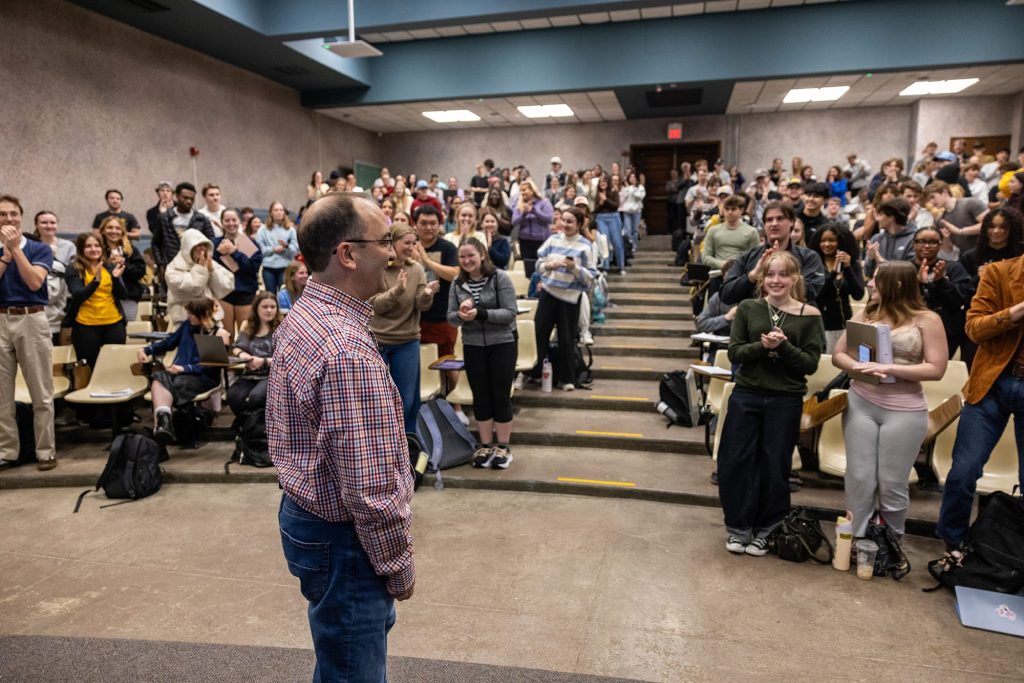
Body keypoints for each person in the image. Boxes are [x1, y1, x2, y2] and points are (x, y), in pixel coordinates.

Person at [266, 193, 414, 681]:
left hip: (306, 513)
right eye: (384, 241)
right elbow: (368, 490)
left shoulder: (306, 314)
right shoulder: (346, 348)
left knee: (339, 657)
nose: (393, 253)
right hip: (345, 537)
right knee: (353, 670)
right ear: (347, 254)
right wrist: (397, 563)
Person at [831, 261, 947, 543]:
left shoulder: (927, 319)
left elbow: (936, 368)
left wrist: (891, 369)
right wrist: (858, 367)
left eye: (876, 280)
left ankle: (891, 542)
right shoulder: (867, 314)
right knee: (859, 476)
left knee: (892, 482)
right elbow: (838, 354)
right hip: (862, 401)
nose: (869, 283)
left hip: (904, 410)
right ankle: (856, 540)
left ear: (896, 285)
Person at [718, 251, 824, 554]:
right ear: (762, 279)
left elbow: (810, 364)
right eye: (770, 274)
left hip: (785, 399)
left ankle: (767, 528)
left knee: (775, 465)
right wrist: (761, 347)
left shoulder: (810, 314)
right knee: (735, 462)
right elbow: (736, 354)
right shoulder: (748, 308)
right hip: (747, 394)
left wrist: (785, 347)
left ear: (794, 278)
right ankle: (738, 527)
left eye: (782, 274)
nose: (776, 280)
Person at [447, 237, 518, 468]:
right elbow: (449, 318)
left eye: (471, 255)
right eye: (462, 257)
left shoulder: (500, 278)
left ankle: (503, 446)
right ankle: (485, 445)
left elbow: (509, 313)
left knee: (500, 394)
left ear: (482, 255)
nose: (467, 260)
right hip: (473, 345)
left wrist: (480, 313)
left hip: (502, 344)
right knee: (480, 396)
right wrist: (461, 314)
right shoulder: (457, 283)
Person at [0, 195, 56, 470]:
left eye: (13, 214)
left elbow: (35, 282)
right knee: (1, 394)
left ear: (21, 217)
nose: (8, 219)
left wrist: (16, 252)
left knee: (41, 391)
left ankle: (45, 452)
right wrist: (5, 257)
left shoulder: (38, 249)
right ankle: (7, 452)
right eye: (2, 215)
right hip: (1, 321)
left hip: (31, 319)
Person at [370, 223, 439, 432]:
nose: (410, 247)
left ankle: (408, 443)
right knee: (376, 399)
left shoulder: (416, 269)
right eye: (406, 243)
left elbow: (420, 305)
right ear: (392, 242)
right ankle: (379, 442)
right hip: (377, 341)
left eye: (413, 243)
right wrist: (398, 290)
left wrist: (426, 294)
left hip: (407, 340)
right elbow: (375, 305)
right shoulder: (376, 268)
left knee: (407, 399)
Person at [137, 297, 228, 444]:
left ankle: (164, 428)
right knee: (158, 376)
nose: (188, 317)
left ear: (203, 314)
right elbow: (169, 342)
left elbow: (212, 366)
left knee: (176, 382)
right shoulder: (187, 326)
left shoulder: (218, 333)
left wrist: (185, 368)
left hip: (203, 377)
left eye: (191, 314)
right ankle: (163, 424)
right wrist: (146, 350)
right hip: (178, 373)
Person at [528, 208, 594, 391]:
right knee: (539, 334)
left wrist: (574, 268)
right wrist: (548, 265)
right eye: (563, 220)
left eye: (570, 221)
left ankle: (567, 379)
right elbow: (537, 264)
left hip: (570, 298)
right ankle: (531, 374)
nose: (565, 224)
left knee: (566, 339)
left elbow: (590, 277)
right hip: (549, 294)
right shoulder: (552, 239)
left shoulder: (585, 246)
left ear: (579, 224)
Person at [720, 202, 825, 306]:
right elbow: (726, 295)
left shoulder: (809, 257)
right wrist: (752, 276)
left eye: (780, 219)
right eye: (769, 220)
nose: (774, 224)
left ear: (792, 222)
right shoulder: (747, 257)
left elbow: (812, 292)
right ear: (764, 225)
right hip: (755, 319)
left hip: (795, 320)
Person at [904, 227, 972, 361]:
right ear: (914, 244)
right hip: (907, 330)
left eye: (933, 242)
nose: (927, 246)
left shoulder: (953, 268)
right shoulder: (904, 268)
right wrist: (918, 283)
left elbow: (962, 300)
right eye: (921, 241)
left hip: (945, 332)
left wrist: (941, 281)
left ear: (940, 245)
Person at [66, 232, 128, 370]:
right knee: (90, 367)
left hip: (114, 323)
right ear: (81, 249)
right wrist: (96, 281)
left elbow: (123, 295)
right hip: (86, 325)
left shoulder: (109, 266)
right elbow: (78, 295)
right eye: (88, 246)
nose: (94, 249)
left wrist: (117, 279)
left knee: (114, 367)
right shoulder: (74, 269)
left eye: (97, 245)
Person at [809, 223, 864, 353]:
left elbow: (858, 294)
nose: (827, 244)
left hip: (844, 327)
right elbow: (816, 295)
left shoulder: (852, 265)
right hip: (820, 327)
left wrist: (848, 268)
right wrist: (833, 273)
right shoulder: (814, 264)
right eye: (823, 240)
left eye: (831, 240)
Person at [164, 229, 235, 330]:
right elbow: (193, 290)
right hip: (185, 320)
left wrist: (212, 271)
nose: (202, 249)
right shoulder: (174, 268)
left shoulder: (210, 263)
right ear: (188, 247)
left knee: (214, 345)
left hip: (211, 317)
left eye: (204, 245)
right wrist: (201, 268)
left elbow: (226, 287)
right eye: (198, 245)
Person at [226, 291, 281, 418]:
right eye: (265, 307)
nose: (269, 310)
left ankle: (256, 428)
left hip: (272, 375)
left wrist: (263, 361)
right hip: (250, 374)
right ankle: (246, 426)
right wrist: (242, 354)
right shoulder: (248, 326)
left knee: (256, 397)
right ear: (256, 308)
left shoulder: (281, 327)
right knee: (233, 396)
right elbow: (236, 347)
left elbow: (286, 358)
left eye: (272, 307)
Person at [213, 209, 263, 341]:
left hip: (245, 292)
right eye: (227, 220)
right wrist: (219, 254)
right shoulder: (215, 244)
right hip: (224, 294)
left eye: (234, 220)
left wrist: (235, 252)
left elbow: (253, 268)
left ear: (240, 222)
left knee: (245, 337)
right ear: (221, 223)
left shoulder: (251, 243)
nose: (231, 223)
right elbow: (212, 269)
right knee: (226, 337)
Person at [30, 210, 74, 345]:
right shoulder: (30, 244)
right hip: (36, 299)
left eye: (52, 222)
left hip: (60, 301)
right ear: (36, 225)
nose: (49, 226)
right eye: (44, 222)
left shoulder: (68, 246)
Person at [151, 182, 215, 272]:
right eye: (185, 198)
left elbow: (211, 241)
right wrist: (160, 264)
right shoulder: (165, 218)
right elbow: (155, 243)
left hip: (195, 266)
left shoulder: (201, 219)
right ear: (176, 196)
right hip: (171, 266)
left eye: (192, 199)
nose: (189, 201)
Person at [97, 216, 146, 322]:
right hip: (102, 298)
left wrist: (125, 264)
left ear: (123, 232)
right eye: (110, 227)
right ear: (103, 230)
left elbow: (140, 272)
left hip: (127, 298)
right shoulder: (96, 249)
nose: (114, 231)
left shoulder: (131, 250)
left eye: (118, 228)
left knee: (125, 330)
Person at [700, 195, 759, 270]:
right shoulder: (713, 231)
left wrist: (737, 267)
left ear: (741, 210)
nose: (730, 212)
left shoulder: (752, 232)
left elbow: (755, 257)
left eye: (733, 209)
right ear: (723, 210)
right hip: (717, 274)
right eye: (727, 209)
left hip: (741, 275)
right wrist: (723, 264)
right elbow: (705, 257)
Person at [255, 202, 299, 294]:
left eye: (281, 210)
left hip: (285, 266)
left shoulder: (290, 230)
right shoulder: (262, 230)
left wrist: (286, 246)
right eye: (276, 210)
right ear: (271, 212)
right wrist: (273, 249)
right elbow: (259, 250)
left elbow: (295, 250)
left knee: (285, 293)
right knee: (270, 294)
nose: (279, 212)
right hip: (269, 267)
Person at [511, 178, 554, 261]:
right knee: (528, 265)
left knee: (541, 264)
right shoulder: (519, 203)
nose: (522, 193)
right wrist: (524, 214)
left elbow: (549, 219)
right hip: (524, 240)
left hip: (541, 239)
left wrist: (534, 211)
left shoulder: (544, 202)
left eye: (524, 190)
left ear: (532, 190)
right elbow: (514, 221)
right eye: (520, 190)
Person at [594, 175, 625, 273]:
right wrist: (601, 203)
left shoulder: (614, 191)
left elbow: (615, 206)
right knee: (604, 242)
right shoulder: (597, 194)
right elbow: (595, 210)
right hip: (601, 218)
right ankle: (605, 267)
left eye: (604, 181)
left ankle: (621, 266)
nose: (602, 183)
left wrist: (606, 199)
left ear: (608, 182)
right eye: (600, 182)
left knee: (617, 241)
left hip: (613, 217)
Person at [620, 171, 646, 250]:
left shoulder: (640, 187)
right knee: (627, 230)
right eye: (631, 177)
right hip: (627, 211)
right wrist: (628, 189)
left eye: (634, 177)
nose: (632, 179)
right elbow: (623, 198)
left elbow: (640, 197)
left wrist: (632, 189)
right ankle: (629, 245)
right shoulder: (625, 188)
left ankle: (634, 245)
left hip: (636, 211)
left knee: (635, 230)